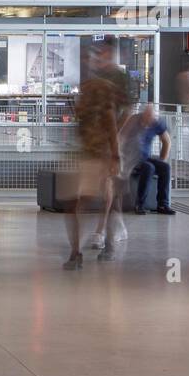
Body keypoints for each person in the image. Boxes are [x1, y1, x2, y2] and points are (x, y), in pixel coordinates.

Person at [64, 74, 120, 269]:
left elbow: (112, 135)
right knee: (90, 202)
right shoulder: (89, 112)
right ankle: (79, 251)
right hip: (91, 159)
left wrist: (115, 158)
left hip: (99, 160)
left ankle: (82, 251)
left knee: (97, 202)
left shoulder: (103, 111)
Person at [120, 104, 176, 216]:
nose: (149, 122)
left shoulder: (157, 122)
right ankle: (139, 204)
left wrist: (162, 160)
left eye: (152, 119)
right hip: (131, 158)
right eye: (147, 118)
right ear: (143, 115)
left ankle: (162, 205)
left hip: (145, 158)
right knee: (149, 167)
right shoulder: (133, 120)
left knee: (165, 167)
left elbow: (167, 141)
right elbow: (121, 137)